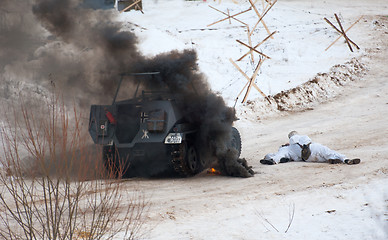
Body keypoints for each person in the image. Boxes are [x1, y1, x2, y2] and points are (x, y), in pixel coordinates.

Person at [260, 131, 360, 165]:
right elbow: (306, 138)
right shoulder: (301, 137)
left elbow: (280, 154)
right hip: (313, 147)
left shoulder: (287, 148)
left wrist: (272, 159)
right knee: (329, 153)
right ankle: (345, 160)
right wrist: (305, 145)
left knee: (320, 159)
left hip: (306, 158)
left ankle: (273, 160)